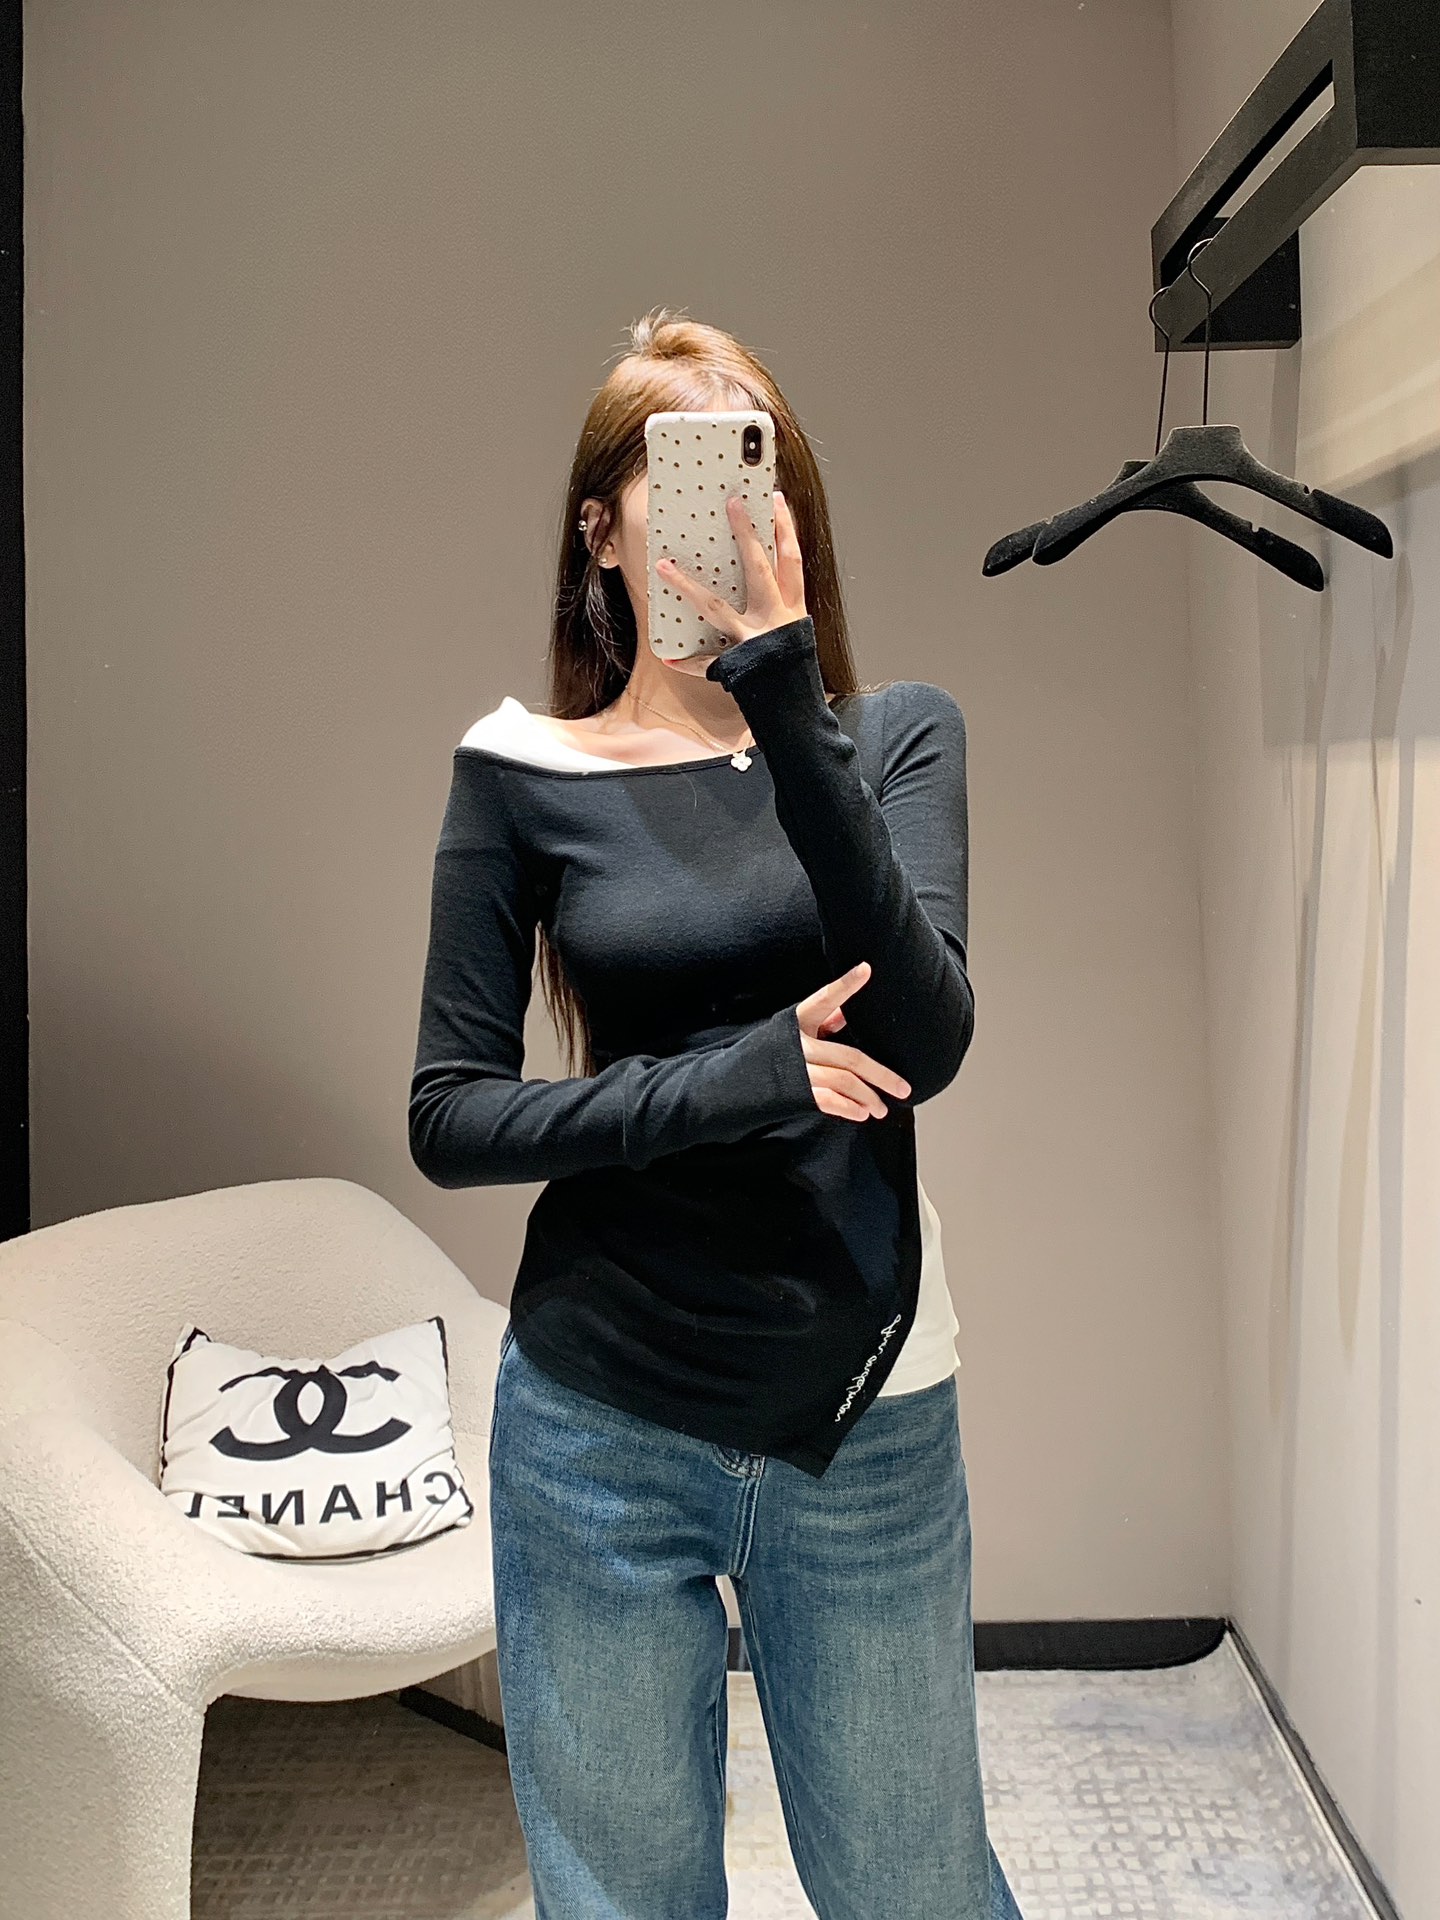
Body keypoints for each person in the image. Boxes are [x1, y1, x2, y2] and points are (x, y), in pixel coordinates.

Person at [411, 307, 1024, 1920]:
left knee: (916, 1891)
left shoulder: (894, 735)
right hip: (597, 1416)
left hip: (865, 1401)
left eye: (765, 486)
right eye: (689, 487)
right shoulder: (516, 770)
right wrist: (741, 1077)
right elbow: (451, 1116)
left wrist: (780, 685)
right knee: (621, 1900)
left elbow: (928, 1037)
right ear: (601, 533)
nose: (736, 524)